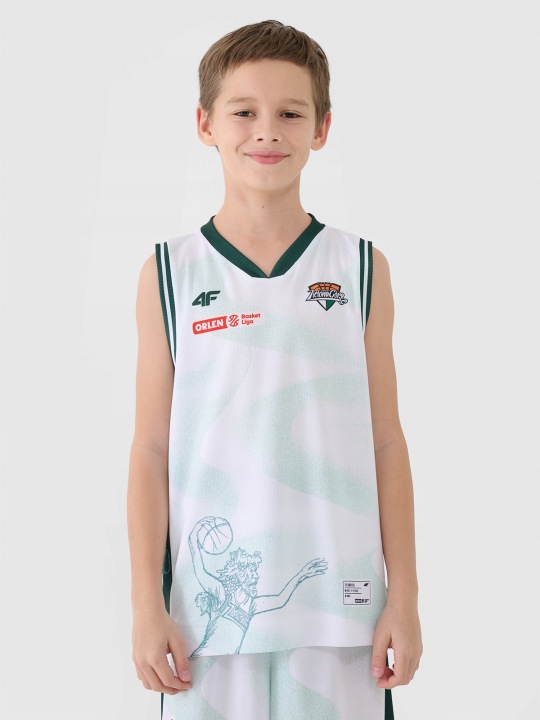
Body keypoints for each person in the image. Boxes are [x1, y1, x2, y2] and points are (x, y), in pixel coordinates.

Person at [127, 19, 422, 720]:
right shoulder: (169, 272)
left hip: (342, 617)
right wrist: (145, 605)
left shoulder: (359, 267)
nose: (267, 131)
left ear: (322, 128)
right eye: (244, 112)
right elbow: (150, 448)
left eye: (291, 113)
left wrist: (404, 598)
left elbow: (386, 441)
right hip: (208, 624)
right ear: (206, 124)